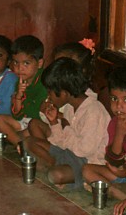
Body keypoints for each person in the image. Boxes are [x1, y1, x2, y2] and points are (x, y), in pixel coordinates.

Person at [25, 57, 109, 191]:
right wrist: (54, 123)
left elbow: (84, 150)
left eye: (50, 92)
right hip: (68, 152)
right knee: (28, 141)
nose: (48, 96)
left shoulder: (94, 111)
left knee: (55, 175)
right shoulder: (70, 106)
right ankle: (53, 164)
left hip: (87, 162)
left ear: (64, 93)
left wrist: (65, 126)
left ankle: (74, 176)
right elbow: (62, 142)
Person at [0, 35, 48, 156]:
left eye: (26, 63)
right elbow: (16, 115)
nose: (19, 68)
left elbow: (39, 114)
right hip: (25, 122)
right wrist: (18, 97)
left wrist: (24, 129)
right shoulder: (18, 82)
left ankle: (20, 141)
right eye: (15, 62)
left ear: (39, 63)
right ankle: (20, 145)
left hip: (39, 123)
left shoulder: (45, 80)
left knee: (30, 129)